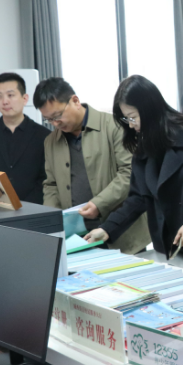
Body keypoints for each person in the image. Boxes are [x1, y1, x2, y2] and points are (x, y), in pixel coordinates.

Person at [84, 75, 183, 274]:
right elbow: (138, 198)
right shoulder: (144, 146)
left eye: (133, 117)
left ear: (149, 109)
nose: (130, 125)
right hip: (168, 248)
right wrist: (107, 229)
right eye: (126, 119)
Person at [34, 77, 150, 254]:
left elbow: (130, 174)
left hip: (122, 233)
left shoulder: (114, 126)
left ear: (75, 101)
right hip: (77, 236)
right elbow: (51, 184)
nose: (55, 123)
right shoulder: (50, 141)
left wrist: (99, 204)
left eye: (57, 116)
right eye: (49, 120)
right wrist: (53, 219)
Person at [0, 73, 49, 204]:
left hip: (34, 207)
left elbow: (45, 179)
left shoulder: (43, 135)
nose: (5, 101)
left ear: (25, 98)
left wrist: (25, 206)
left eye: (10, 95)